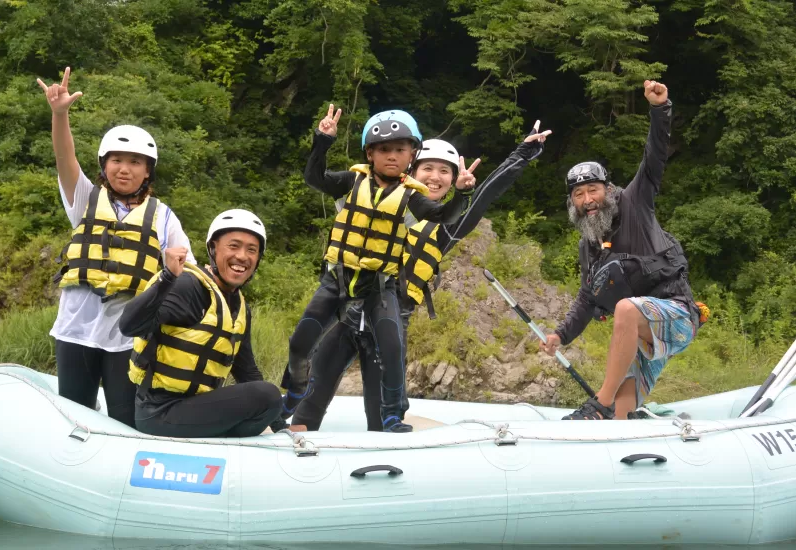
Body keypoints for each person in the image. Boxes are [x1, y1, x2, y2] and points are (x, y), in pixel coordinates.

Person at [293, 123, 552, 431]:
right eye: (428, 168)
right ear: (411, 168)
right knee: (312, 395)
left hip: (388, 319)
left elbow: (486, 193)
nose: (435, 177)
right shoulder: (379, 197)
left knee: (381, 415)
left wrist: (522, 154)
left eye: (445, 172)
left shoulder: (447, 225)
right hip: (347, 314)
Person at [282, 106, 476, 433]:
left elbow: (447, 213)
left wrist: (464, 192)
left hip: (380, 298)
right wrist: (322, 141)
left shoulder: (422, 207)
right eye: (384, 149)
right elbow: (315, 177)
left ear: (409, 156)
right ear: (370, 154)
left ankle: (390, 419)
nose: (436, 179)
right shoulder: (352, 184)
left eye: (400, 150)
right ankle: (292, 398)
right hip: (343, 295)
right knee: (303, 349)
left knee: (392, 353)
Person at [539, 80, 707, 420]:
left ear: (608, 190)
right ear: (571, 202)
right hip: (638, 335)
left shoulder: (635, 203)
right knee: (624, 413)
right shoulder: (588, 247)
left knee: (627, 310)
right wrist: (560, 334)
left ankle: (599, 404)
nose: (588, 200)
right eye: (579, 194)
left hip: (676, 316)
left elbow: (654, 157)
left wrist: (660, 109)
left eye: (593, 190)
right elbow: (587, 299)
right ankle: (614, 415)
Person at [39, 67, 194, 427]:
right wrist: (59, 115)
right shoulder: (84, 199)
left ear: (147, 171)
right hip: (75, 328)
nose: (125, 169)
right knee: (74, 416)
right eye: (117, 161)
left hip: (128, 335)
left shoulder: (164, 217)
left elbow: (187, 271)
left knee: (126, 418)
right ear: (104, 166)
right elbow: (65, 158)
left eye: (135, 162)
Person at [119, 210, 283, 437]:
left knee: (267, 400)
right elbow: (129, 326)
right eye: (233, 246)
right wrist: (167, 278)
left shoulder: (239, 306)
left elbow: (246, 370)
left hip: (196, 406)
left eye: (252, 250)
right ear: (213, 249)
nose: (243, 256)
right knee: (268, 395)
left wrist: (281, 426)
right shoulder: (188, 286)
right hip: (159, 411)